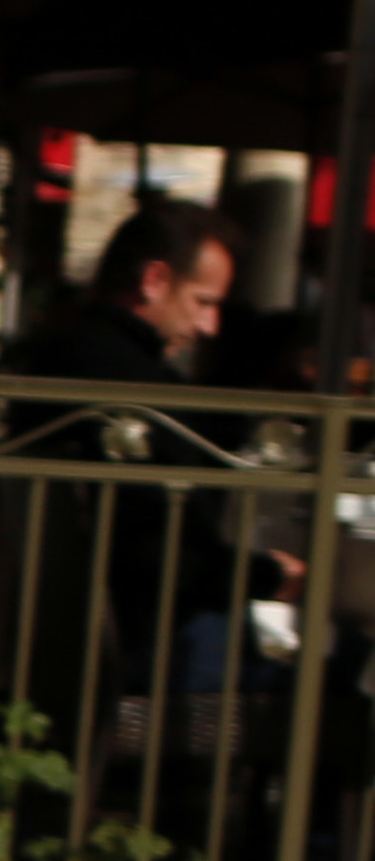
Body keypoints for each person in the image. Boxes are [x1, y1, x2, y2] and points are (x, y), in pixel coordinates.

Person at [20, 201, 305, 696]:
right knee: (330, 677)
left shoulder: (55, 352)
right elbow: (160, 553)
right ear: (154, 280)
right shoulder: (134, 387)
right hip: (131, 641)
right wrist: (266, 575)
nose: (209, 326)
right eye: (203, 301)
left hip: (50, 630)